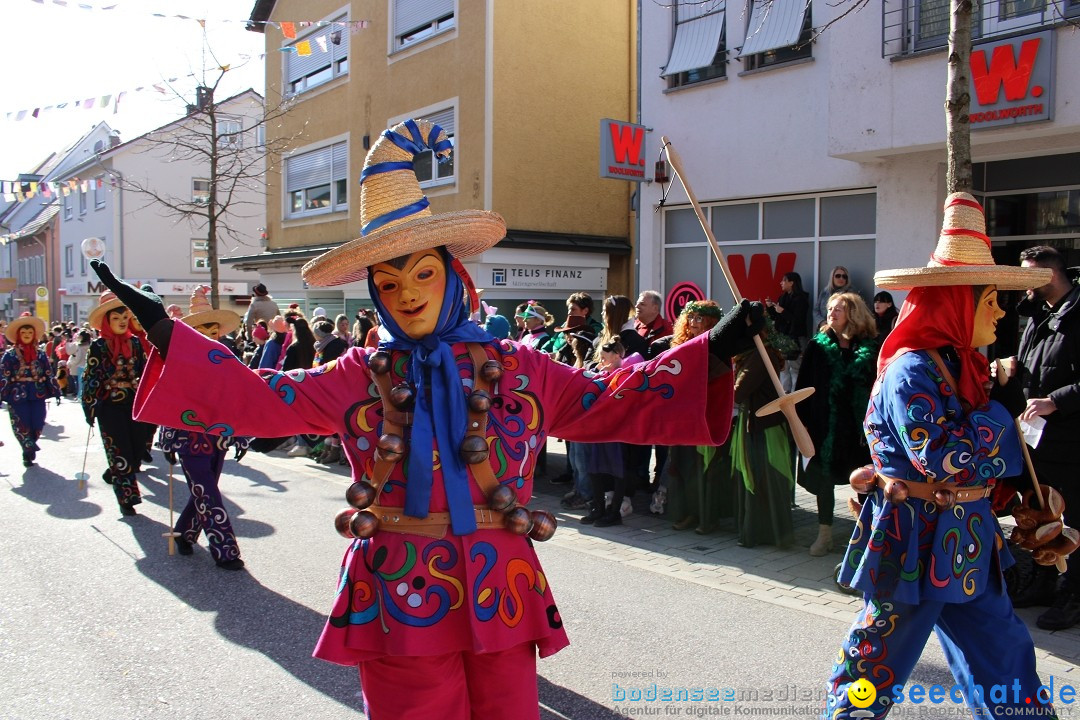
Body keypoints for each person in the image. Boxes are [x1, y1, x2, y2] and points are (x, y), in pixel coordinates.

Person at [92, 117, 759, 720]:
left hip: (502, 585)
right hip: (397, 594)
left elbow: (609, 400)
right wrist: (164, 331)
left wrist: (715, 348)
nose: (406, 293)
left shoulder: (521, 367)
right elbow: (261, 398)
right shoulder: (355, 374)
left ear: (452, 277)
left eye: (419, 275)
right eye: (387, 283)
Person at [824, 193, 1064, 719]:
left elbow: (979, 461)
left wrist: (1025, 489)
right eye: (991, 301)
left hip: (970, 541)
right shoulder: (912, 368)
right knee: (872, 667)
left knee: (1006, 657)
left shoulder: (963, 364)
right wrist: (1001, 417)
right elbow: (943, 457)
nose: (1001, 313)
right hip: (912, 538)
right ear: (959, 301)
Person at [1010, 245, 1080, 629]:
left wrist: (1057, 400)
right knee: (1040, 516)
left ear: (1049, 275)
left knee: (1072, 520)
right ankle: (1042, 582)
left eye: (1027, 275)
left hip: (1072, 442)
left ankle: (1072, 596)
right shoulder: (1039, 313)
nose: (1023, 284)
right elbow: (1033, 367)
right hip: (1040, 442)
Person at [158, 287, 248, 570]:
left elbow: (240, 398)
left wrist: (241, 434)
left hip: (218, 437)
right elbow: (167, 402)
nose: (211, 334)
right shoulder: (178, 363)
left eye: (214, 329)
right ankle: (226, 551)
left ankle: (183, 534)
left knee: (205, 490)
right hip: (189, 440)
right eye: (203, 329)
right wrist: (168, 440)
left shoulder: (228, 361)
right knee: (208, 493)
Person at [795, 291, 878, 556]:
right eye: (830, 308)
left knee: (866, 480)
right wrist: (802, 422)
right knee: (824, 479)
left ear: (853, 312)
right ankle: (825, 533)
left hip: (857, 427)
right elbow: (803, 387)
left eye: (838, 309)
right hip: (824, 424)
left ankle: (868, 535)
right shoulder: (817, 346)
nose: (831, 313)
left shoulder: (869, 347)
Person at [663, 301, 730, 533]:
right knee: (681, 465)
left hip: (704, 415)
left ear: (711, 322)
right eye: (690, 317)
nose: (693, 322)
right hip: (681, 415)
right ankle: (687, 513)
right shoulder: (678, 345)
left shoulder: (716, 347)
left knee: (704, 469)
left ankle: (706, 516)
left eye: (699, 318)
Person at [81, 291, 148, 517]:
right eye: (116, 318)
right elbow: (90, 377)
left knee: (137, 452)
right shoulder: (99, 347)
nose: (121, 322)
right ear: (106, 322)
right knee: (119, 451)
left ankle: (114, 472)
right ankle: (127, 498)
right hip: (109, 407)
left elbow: (145, 372)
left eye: (124, 318)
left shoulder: (136, 344)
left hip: (134, 405)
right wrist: (90, 407)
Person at [731, 319, 796, 548]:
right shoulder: (752, 353)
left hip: (766, 427)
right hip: (755, 424)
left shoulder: (760, 354)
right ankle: (758, 533)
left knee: (770, 480)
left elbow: (738, 392)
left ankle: (777, 535)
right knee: (757, 480)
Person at [0, 313, 61, 466]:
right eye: (23, 333)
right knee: (21, 422)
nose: (27, 335)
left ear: (34, 335)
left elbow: (48, 373)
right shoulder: (9, 355)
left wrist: (56, 391)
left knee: (38, 423)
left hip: (37, 393)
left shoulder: (40, 354)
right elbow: (3, 375)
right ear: (18, 335)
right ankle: (26, 449)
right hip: (16, 395)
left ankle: (31, 444)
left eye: (30, 333)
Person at [766, 271, 810, 393]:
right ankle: (785, 394)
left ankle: (796, 396)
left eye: (784, 280)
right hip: (783, 338)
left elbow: (798, 320)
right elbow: (777, 317)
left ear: (792, 283)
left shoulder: (801, 299)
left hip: (795, 338)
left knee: (795, 368)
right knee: (784, 368)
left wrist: (783, 311)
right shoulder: (783, 297)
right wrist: (771, 308)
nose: (781, 283)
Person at [812, 265, 859, 332]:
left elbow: (855, 313)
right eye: (838, 276)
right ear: (832, 277)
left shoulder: (851, 293)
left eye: (844, 276)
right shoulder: (825, 292)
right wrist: (821, 322)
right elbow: (816, 310)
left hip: (843, 331)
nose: (841, 278)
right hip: (824, 330)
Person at [66, 330, 91, 400]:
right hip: (88, 365)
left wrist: (71, 363)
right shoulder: (90, 345)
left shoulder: (79, 346)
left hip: (80, 366)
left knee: (80, 382)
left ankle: (80, 396)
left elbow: (77, 357)